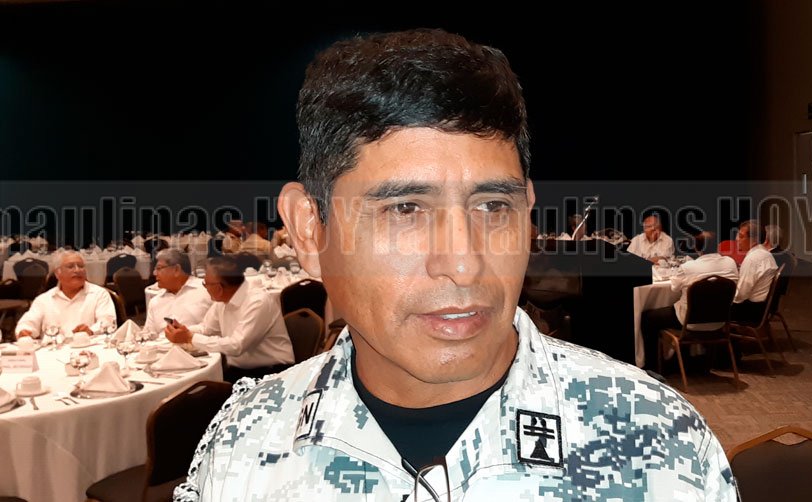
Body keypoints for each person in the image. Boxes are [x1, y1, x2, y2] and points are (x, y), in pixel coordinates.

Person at [175, 29, 736, 501]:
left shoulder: (656, 444)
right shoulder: (244, 446)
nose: (465, 265)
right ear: (309, 230)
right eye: (405, 209)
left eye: (493, 207)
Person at [164, 256, 293, 382]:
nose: (205, 288)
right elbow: (207, 329)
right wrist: (183, 331)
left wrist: (190, 337)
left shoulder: (258, 302)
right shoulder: (223, 300)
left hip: (272, 374)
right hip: (239, 371)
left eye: (205, 284)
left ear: (219, 288)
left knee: (200, 389)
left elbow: (236, 346)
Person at [639, 232, 739, 368]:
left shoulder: (689, 267)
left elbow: (674, 288)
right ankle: (697, 359)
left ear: (696, 248)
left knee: (647, 318)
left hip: (689, 321)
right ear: (717, 246)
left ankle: (653, 366)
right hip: (720, 321)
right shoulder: (730, 263)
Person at [15, 251, 115, 339]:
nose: (77, 270)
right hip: (53, 351)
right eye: (70, 266)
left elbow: (108, 321)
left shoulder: (99, 294)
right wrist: (24, 331)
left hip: (90, 349)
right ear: (57, 273)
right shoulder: (44, 299)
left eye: (81, 266)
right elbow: (27, 323)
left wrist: (91, 330)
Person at [140, 249, 211, 340]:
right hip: (161, 347)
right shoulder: (155, 302)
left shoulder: (207, 290)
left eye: (159, 268)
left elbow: (216, 328)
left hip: (199, 346)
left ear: (176, 269)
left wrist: (187, 334)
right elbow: (148, 334)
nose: (154, 273)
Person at [732, 220, 777, 323]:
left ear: (754, 240)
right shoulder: (765, 253)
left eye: (741, 236)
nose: (737, 239)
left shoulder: (753, 258)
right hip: (760, 308)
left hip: (750, 311)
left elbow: (740, 295)